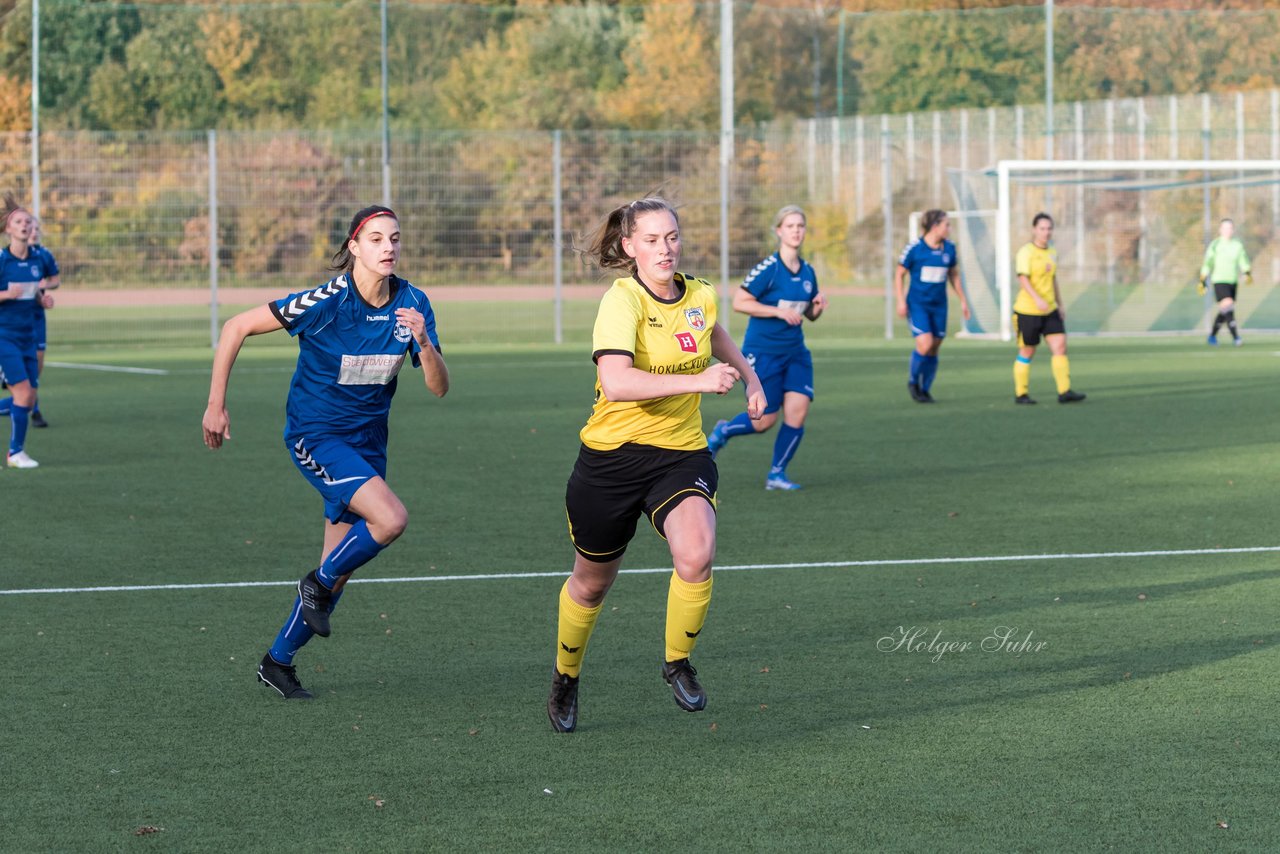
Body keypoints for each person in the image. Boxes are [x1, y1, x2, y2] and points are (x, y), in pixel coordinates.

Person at [203, 205, 449, 700]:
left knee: (337, 569)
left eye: (395, 239)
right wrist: (215, 405)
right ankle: (316, 582)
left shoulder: (414, 304)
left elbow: (439, 387)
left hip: (367, 446)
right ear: (354, 247)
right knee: (390, 519)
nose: (389, 248)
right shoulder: (326, 300)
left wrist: (422, 340)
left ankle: (277, 662)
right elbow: (235, 327)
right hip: (314, 435)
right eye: (376, 239)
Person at [547, 197, 766, 733]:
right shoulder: (621, 301)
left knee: (697, 553)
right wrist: (699, 380)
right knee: (592, 584)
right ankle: (566, 675)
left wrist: (751, 379)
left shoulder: (702, 294)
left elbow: (713, 333)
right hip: (611, 461)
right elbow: (618, 383)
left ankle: (676, 664)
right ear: (629, 247)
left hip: (679, 452)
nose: (664, 249)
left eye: (671, 237)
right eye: (650, 240)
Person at [706, 204, 827, 490]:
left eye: (800, 226)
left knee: (798, 411)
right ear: (779, 231)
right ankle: (723, 430)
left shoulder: (809, 272)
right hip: (763, 352)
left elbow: (807, 314)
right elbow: (740, 302)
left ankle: (776, 474)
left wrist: (817, 308)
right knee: (764, 421)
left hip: (795, 352)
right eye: (790, 226)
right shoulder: (769, 269)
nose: (796, 231)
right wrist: (776, 311)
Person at [894, 209, 970, 403]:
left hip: (939, 306)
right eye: (947, 224)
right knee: (925, 343)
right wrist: (901, 301)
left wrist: (963, 300)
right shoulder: (915, 248)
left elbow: (953, 275)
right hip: (918, 304)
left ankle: (925, 389)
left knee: (935, 347)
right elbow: (899, 274)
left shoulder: (949, 249)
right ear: (935, 226)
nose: (949, 228)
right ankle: (913, 382)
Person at [0, 200, 54, 468]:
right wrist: (5, 295)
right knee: (22, 393)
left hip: (28, 336)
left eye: (28, 222)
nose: (25, 225)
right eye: (19, 222)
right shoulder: (1, 260)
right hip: (4, 337)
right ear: (8, 228)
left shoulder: (36, 259)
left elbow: (38, 291)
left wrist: (42, 300)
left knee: (29, 398)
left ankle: (16, 453)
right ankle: (14, 453)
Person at [1012, 212, 1085, 405]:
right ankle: (1021, 394)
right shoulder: (1026, 252)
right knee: (1027, 351)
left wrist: (1059, 304)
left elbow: (1052, 279)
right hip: (1028, 311)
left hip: (1050, 309)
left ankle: (1064, 391)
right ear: (1034, 230)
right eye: (1042, 228)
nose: (1046, 232)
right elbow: (1022, 278)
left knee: (1060, 346)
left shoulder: (1052, 252)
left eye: (1049, 228)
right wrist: (1036, 299)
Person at [1198, 218, 1251, 346]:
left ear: (1233, 230)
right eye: (1225, 228)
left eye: (1230, 228)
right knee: (1228, 305)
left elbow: (1243, 260)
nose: (1227, 231)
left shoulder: (1237, 245)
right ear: (1220, 230)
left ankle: (1212, 336)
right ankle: (1236, 338)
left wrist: (1247, 272)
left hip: (1232, 281)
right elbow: (1208, 262)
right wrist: (1203, 278)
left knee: (1226, 310)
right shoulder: (1215, 245)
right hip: (1219, 280)